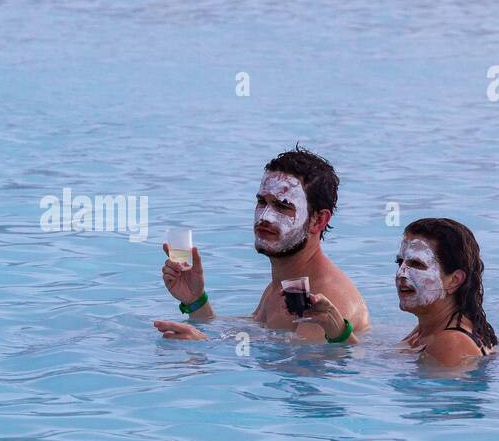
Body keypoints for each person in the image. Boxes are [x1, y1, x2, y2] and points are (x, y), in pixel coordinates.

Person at [153, 147, 369, 343]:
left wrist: (204, 347)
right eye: (262, 202)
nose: (265, 217)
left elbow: (302, 369)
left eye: (282, 206)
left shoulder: (324, 297)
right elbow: (257, 336)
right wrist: (196, 300)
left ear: (319, 220)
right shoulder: (285, 285)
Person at [302, 218, 498, 367]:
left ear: (454, 280)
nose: (401, 274)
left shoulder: (451, 343)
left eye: (416, 264)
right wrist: (334, 324)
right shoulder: (431, 328)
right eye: (400, 262)